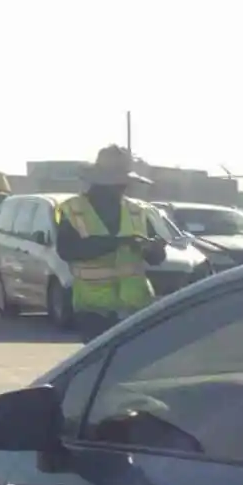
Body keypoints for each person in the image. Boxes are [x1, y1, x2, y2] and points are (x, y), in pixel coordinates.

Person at [55, 145, 166, 340]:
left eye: (124, 182)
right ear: (99, 182)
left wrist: (154, 248)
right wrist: (118, 243)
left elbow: (156, 258)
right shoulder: (73, 210)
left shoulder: (137, 211)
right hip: (94, 311)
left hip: (136, 308)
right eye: (117, 182)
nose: (122, 187)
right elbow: (67, 251)